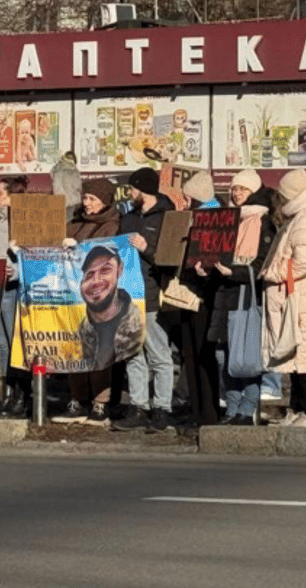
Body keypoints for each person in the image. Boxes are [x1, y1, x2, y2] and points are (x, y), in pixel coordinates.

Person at [199, 169, 274, 425]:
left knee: (247, 357)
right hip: (223, 295)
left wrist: (236, 272)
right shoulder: (227, 219)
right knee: (223, 356)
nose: (236, 193)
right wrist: (206, 267)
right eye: (234, 189)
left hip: (246, 295)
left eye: (242, 189)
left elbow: (263, 263)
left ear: (254, 191)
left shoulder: (263, 221)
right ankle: (231, 409)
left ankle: (247, 408)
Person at [261, 169, 306, 427]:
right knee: (295, 358)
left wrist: (275, 272)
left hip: (302, 298)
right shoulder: (302, 216)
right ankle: (297, 409)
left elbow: (305, 261)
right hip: (297, 296)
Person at [113, 166, 177, 433]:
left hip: (152, 294)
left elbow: (171, 259)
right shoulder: (128, 218)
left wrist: (146, 248)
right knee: (133, 354)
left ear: (145, 190)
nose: (130, 193)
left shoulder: (166, 218)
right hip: (127, 295)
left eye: (133, 188)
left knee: (159, 354)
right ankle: (138, 406)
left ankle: (162, 408)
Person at [61, 178, 122, 424]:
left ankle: (100, 403)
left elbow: (106, 253)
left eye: (92, 199)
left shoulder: (112, 225)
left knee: (100, 350)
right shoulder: (74, 223)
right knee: (75, 348)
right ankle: (77, 398)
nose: (86, 203)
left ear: (105, 201)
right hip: (72, 295)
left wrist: (80, 248)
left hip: (100, 298)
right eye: (85, 198)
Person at [174, 171, 222, 429]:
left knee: (201, 356)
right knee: (191, 354)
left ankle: (206, 411)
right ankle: (198, 408)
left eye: (187, 196)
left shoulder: (212, 218)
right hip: (191, 293)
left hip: (203, 295)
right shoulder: (196, 217)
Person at [0, 175, 31, 420]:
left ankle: (22, 397)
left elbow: (33, 256)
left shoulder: (22, 224)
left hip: (13, 289)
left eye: (0, 193)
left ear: (12, 198)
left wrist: (15, 271)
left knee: (16, 344)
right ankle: (8, 395)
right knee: (3, 343)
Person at [74, 245, 145, 375]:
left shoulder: (137, 322)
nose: (96, 281)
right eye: (89, 274)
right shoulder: (82, 329)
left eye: (105, 270)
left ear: (120, 270)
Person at [51, 151, 82, 220]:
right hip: (71, 200)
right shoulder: (73, 171)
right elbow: (77, 186)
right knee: (70, 221)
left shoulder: (56, 170)